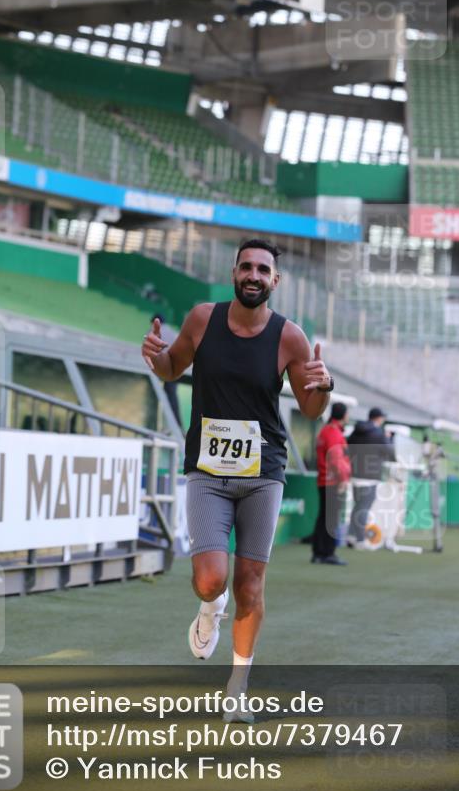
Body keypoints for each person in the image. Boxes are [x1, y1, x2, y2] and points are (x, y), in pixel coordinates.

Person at [141, 238, 334, 721]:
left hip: (262, 473)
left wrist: (323, 388)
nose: (254, 275)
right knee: (211, 580)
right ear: (234, 273)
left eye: (263, 269)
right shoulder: (203, 318)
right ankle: (210, 608)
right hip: (207, 470)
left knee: (251, 585)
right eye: (246, 266)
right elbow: (172, 368)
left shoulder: (289, 337)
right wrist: (155, 355)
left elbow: (310, 409)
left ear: (275, 280)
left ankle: (237, 689)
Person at [346, 406, 396, 547]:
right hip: (370, 476)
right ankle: (360, 540)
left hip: (355, 474)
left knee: (358, 507)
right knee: (363, 508)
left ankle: (351, 536)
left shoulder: (356, 431)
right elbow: (390, 453)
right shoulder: (379, 434)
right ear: (379, 418)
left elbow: (347, 446)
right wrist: (389, 439)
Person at [312, 401, 351, 565]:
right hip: (332, 481)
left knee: (324, 517)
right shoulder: (334, 433)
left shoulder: (325, 431)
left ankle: (319, 553)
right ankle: (327, 553)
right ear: (343, 415)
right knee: (331, 519)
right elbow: (336, 459)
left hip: (324, 479)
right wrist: (343, 479)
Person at [150, 313, 183, 432]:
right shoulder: (173, 332)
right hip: (175, 367)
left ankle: (155, 425)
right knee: (171, 395)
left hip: (161, 366)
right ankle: (177, 425)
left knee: (155, 393)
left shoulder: (155, 331)